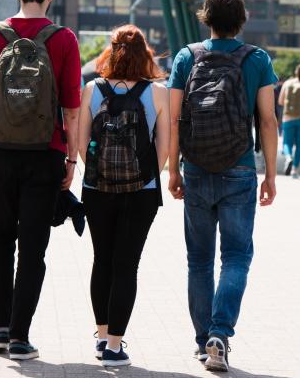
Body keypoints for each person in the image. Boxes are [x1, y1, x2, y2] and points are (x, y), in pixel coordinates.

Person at [0, 0, 81, 360]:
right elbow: (72, 106)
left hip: (0, 151)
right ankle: (20, 336)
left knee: (0, 237)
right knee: (33, 246)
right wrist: (71, 159)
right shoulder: (64, 39)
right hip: (45, 153)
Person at [167, 0, 278, 372]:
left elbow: (174, 118)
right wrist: (271, 176)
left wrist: (172, 169)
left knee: (198, 260)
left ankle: (203, 342)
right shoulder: (257, 59)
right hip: (240, 167)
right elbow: (267, 120)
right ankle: (220, 333)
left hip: (196, 168)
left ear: (206, 18)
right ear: (242, 19)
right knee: (236, 256)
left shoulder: (187, 57)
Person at [77, 25, 169, 367]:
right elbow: (165, 147)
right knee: (126, 265)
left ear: (110, 52)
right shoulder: (157, 92)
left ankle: (101, 337)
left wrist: (101, 172)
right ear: (145, 53)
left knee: (102, 260)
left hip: (97, 189)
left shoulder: (92, 89)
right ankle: (115, 347)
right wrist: (143, 177)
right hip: (141, 192)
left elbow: (82, 143)